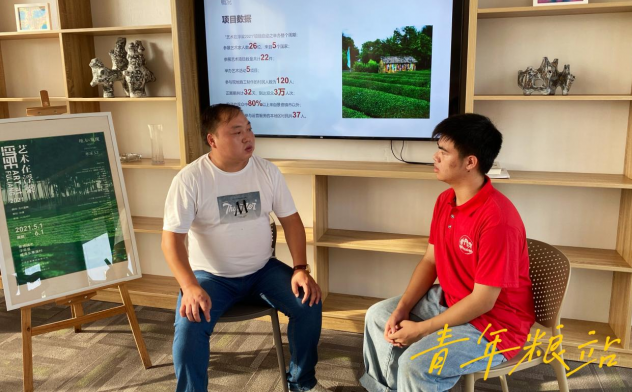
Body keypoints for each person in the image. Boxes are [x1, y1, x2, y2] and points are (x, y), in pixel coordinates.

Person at [359, 113, 535, 392]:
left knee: (416, 363)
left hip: (494, 326)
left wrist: (422, 328)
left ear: (470, 162)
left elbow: (483, 301)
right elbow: (430, 261)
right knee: (379, 316)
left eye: (444, 151)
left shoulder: (497, 220)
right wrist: (403, 308)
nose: (435, 157)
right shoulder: (445, 200)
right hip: (452, 299)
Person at [162, 103, 328, 392]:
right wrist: (189, 286)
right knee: (189, 326)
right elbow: (171, 241)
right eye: (236, 131)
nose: (247, 136)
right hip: (211, 277)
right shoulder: (190, 179)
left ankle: (302, 383)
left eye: (248, 129)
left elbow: (291, 221)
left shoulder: (267, 171)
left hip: (262, 271)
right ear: (212, 140)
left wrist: (300, 268)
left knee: (308, 302)